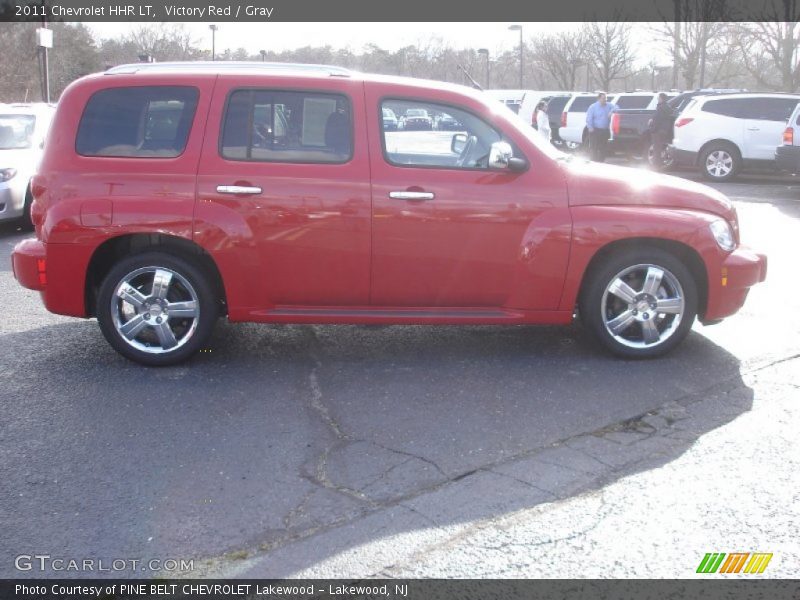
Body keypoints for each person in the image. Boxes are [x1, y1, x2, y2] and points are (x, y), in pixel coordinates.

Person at [585, 92, 617, 162]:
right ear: (599, 99)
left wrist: (612, 111)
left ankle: (601, 162)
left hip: (605, 130)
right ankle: (593, 162)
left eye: (606, 98)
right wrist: (590, 127)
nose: (605, 100)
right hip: (595, 130)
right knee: (594, 148)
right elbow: (589, 118)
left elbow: (617, 107)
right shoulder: (593, 107)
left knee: (603, 148)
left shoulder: (609, 105)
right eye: (603, 98)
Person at [649, 92, 675, 169]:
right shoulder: (668, 107)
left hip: (658, 131)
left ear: (661, 98)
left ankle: (656, 165)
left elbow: (657, 120)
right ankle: (660, 163)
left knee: (656, 149)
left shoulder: (660, 108)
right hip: (665, 130)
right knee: (661, 148)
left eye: (658, 98)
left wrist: (652, 128)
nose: (657, 99)